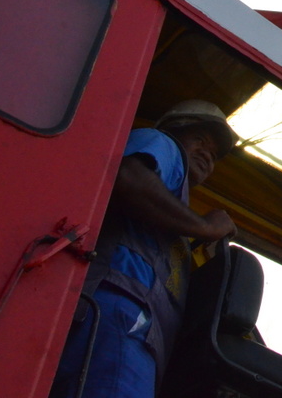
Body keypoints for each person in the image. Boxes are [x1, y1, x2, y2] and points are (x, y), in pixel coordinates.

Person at [49, 100, 240, 398]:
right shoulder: (162, 144)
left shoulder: (174, 216)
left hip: (140, 337)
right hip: (118, 315)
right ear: (174, 131)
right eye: (200, 140)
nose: (207, 155)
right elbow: (128, 177)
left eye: (214, 154)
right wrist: (206, 227)